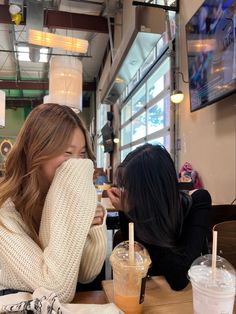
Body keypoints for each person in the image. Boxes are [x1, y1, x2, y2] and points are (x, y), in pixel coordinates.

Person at [0, 103, 107, 302]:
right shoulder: (5, 211)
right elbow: (57, 290)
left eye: (82, 154)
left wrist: (93, 228)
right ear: (36, 152)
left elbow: (85, 275)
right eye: (67, 152)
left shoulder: (61, 196)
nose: (76, 163)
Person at [107, 144, 211, 291]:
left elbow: (178, 278)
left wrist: (138, 214)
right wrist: (126, 211)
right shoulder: (139, 206)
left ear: (152, 190)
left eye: (132, 187)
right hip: (151, 292)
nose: (128, 192)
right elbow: (134, 256)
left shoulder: (198, 201)